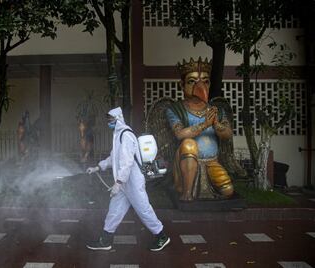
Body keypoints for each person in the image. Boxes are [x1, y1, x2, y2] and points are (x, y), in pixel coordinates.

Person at [86, 107, 170, 252]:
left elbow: (127, 162)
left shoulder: (126, 135)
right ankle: (105, 240)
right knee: (114, 211)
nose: (108, 122)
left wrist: (118, 182)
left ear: (118, 119)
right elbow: (114, 157)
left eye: (111, 120)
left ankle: (161, 236)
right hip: (124, 183)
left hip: (132, 182)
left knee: (143, 210)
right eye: (108, 120)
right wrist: (98, 167)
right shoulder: (118, 135)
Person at [165, 57, 234, 201]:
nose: (200, 85)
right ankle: (187, 193)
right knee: (189, 143)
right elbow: (180, 134)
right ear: (182, 85)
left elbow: (227, 134)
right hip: (186, 160)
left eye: (205, 81)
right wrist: (204, 125)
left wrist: (216, 124)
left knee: (228, 190)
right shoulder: (175, 109)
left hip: (211, 161)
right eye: (192, 81)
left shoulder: (217, 110)